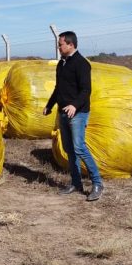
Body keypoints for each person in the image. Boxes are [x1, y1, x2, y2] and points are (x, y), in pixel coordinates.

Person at [43, 31, 104, 202]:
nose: (58, 47)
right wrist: (50, 105)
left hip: (78, 113)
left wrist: (74, 105)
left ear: (70, 44)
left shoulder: (81, 64)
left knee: (79, 147)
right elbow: (58, 88)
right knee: (70, 149)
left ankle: (97, 183)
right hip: (63, 112)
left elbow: (86, 90)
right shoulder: (61, 64)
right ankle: (76, 183)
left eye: (60, 44)